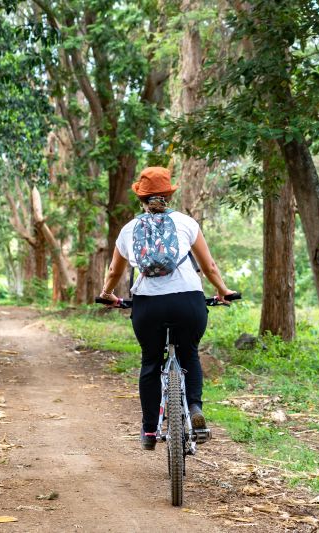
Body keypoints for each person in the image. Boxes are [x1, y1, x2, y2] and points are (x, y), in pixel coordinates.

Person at [99, 167, 236, 451]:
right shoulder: (187, 223)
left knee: (150, 361)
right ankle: (195, 408)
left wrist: (107, 294)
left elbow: (114, 270)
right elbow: (209, 266)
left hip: (149, 306)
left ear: (141, 197)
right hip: (188, 302)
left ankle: (150, 430)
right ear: (169, 194)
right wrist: (224, 291)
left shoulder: (128, 229)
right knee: (189, 354)